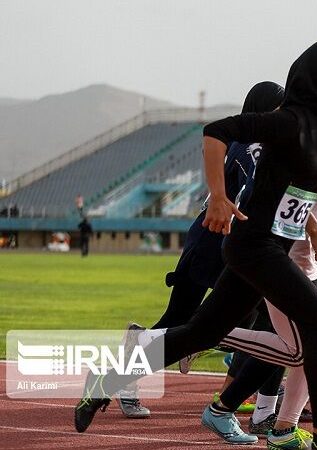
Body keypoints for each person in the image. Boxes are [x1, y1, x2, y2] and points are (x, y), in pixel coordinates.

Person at [75, 40, 317, 450]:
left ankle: (106, 380)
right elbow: (217, 132)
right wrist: (218, 194)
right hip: (253, 245)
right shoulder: (288, 122)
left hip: (274, 250)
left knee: (200, 332)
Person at [117, 81, 287, 422]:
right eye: (280, 110)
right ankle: (128, 374)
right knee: (184, 320)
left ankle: (253, 383)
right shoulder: (250, 147)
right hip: (213, 243)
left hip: (227, 243)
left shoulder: (256, 144)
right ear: (266, 109)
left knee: (248, 319)